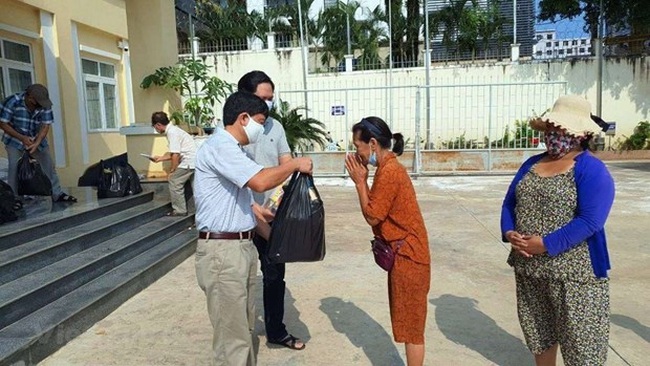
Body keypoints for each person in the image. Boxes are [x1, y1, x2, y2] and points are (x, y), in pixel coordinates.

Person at [193, 91, 312, 365]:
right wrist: (294, 164)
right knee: (231, 337)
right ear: (243, 118)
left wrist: (277, 237)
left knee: (242, 328)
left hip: (239, 249)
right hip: (223, 252)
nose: (261, 129)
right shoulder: (220, 146)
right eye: (260, 121)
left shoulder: (234, 152)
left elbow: (249, 207)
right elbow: (259, 182)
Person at [500, 95, 615, 366]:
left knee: (582, 349)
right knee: (540, 337)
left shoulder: (591, 170)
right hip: (531, 271)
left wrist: (546, 244)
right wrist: (509, 232)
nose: (553, 136)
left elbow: (590, 221)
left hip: (575, 277)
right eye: (551, 129)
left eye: (560, 129)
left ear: (581, 133)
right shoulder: (531, 164)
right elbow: (509, 202)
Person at [345, 117, 431, 366]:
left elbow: (372, 215)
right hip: (406, 256)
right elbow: (379, 209)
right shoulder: (386, 169)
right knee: (408, 323)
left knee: (412, 328)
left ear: (372, 144)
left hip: (409, 257)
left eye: (357, 146)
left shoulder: (390, 171)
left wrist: (360, 182)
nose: (356, 152)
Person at [238, 70, 306, 350]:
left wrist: (280, 200)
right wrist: (254, 210)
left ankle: (276, 330)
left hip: (272, 213)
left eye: (271, 99)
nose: (268, 104)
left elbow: (285, 162)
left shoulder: (275, 127)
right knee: (239, 276)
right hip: (241, 214)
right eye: (262, 99)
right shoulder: (234, 131)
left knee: (275, 274)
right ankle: (240, 333)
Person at [0, 84, 76, 203]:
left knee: (48, 164)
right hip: (14, 140)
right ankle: (14, 199)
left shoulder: (44, 104)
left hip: (36, 138)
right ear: (30, 98)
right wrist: (22, 138)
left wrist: (37, 143)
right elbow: (3, 123)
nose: (42, 104)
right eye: (38, 101)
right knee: (14, 168)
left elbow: (45, 125)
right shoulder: (12, 102)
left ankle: (57, 194)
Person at [150, 111, 197, 216]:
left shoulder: (172, 133)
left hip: (188, 162)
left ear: (158, 125)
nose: (156, 130)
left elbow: (175, 154)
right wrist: (160, 158)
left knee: (174, 181)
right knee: (197, 189)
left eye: (155, 127)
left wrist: (173, 170)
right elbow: (175, 152)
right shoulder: (175, 130)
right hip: (194, 161)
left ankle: (180, 210)